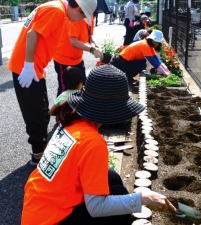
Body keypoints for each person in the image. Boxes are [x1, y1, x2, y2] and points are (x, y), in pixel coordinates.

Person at [21, 65, 177, 225]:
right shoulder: (93, 143)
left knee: (112, 177)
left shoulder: (70, 123)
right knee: (119, 200)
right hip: (52, 220)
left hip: (37, 208)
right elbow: (96, 207)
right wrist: (142, 199)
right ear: (112, 110)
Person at [7, 0, 97, 166]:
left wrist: (39, 63)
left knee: (41, 109)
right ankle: (38, 155)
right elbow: (32, 35)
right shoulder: (56, 10)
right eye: (81, 16)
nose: (79, 21)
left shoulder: (56, 9)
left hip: (34, 66)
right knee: (35, 113)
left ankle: (40, 148)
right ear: (77, 7)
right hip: (26, 69)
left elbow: (43, 38)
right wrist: (28, 65)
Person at [53, 15, 101, 96]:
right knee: (65, 91)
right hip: (64, 59)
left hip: (78, 58)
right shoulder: (75, 16)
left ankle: (78, 107)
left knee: (82, 85)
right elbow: (73, 42)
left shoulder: (90, 16)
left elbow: (90, 38)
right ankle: (61, 108)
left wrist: (97, 47)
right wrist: (92, 50)